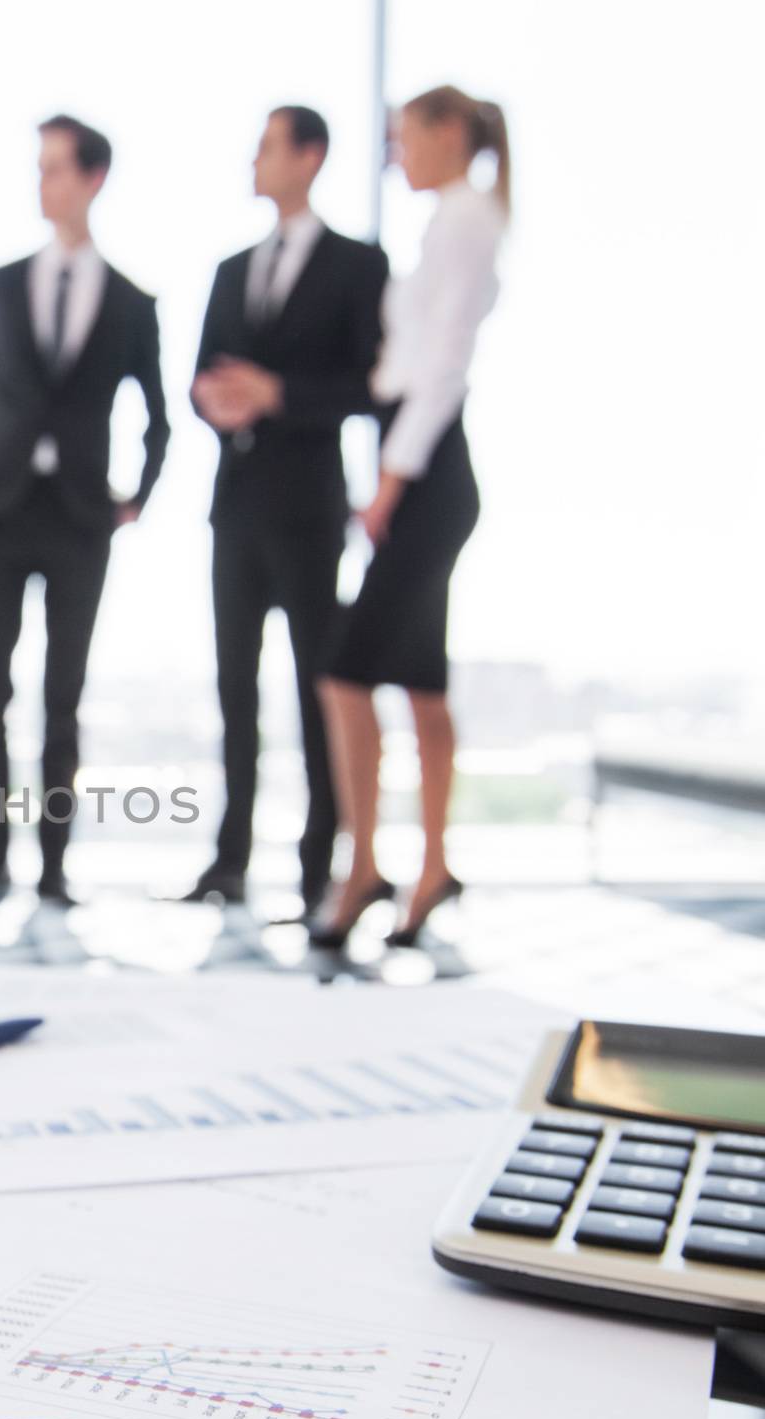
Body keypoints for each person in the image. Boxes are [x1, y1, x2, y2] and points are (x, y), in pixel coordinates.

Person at [0, 114, 170, 908]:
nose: (43, 184)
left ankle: (54, 868)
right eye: (37, 169)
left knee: (62, 698)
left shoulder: (132, 302)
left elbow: (157, 414)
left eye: (55, 169)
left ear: (92, 178)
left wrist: (135, 497)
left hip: (80, 518)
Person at [311, 85, 510, 951]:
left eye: (404, 139)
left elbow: (442, 369)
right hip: (420, 467)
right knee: (423, 687)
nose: (397, 154)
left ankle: (364, 867)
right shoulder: (449, 221)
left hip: (427, 472)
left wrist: (390, 482)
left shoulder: (464, 217)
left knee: (345, 672)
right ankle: (430, 868)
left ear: (450, 133)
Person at [184, 107, 388, 917]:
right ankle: (228, 862)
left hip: (309, 509)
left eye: (268, 146)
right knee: (236, 688)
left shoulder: (356, 266)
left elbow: (370, 387)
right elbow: (200, 376)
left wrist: (276, 394)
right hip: (234, 508)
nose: (254, 160)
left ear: (310, 157)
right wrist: (217, 400)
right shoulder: (233, 271)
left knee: (316, 688)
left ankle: (317, 866)